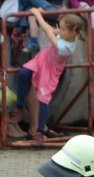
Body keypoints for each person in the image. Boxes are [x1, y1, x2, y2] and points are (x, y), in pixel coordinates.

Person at [14, 9, 84, 144]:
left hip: (51, 69)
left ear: (73, 31)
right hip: (43, 58)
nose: (60, 31)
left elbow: (47, 31)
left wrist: (38, 14)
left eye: (63, 29)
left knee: (43, 99)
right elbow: (54, 30)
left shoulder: (66, 46)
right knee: (24, 73)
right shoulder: (67, 35)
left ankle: (40, 131)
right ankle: (20, 106)